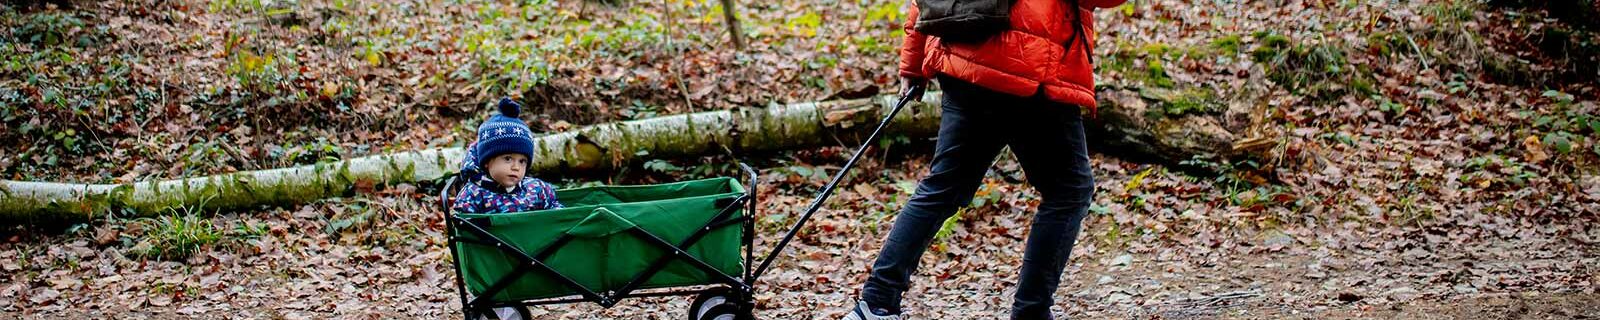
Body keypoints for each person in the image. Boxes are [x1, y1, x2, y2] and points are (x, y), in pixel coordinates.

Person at [843, 0, 1125, 318]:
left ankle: (877, 302)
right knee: (1069, 190)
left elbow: (923, 2)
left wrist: (912, 61)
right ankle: (1031, 311)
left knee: (942, 188)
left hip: (964, 56)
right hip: (1028, 67)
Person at [451, 97, 563, 214]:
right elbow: (464, 223)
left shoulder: (535, 189)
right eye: (508, 159)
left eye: (522, 161)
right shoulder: (473, 195)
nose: (516, 167)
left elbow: (554, 208)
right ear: (487, 162)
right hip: (493, 232)